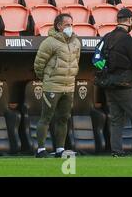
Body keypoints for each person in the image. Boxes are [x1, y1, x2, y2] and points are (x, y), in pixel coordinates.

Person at [33, 13, 81, 158]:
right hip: (52, 87)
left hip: (69, 87)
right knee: (46, 118)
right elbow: (38, 65)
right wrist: (48, 79)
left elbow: (76, 62)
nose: (70, 27)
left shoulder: (76, 42)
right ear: (59, 26)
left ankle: (60, 149)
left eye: (71, 24)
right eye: (67, 25)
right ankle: (40, 149)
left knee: (64, 118)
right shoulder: (49, 42)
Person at [99, 8, 132, 157]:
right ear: (130, 20)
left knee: (116, 120)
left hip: (108, 84)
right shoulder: (127, 39)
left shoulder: (107, 36)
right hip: (125, 85)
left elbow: (97, 60)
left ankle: (116, 151)